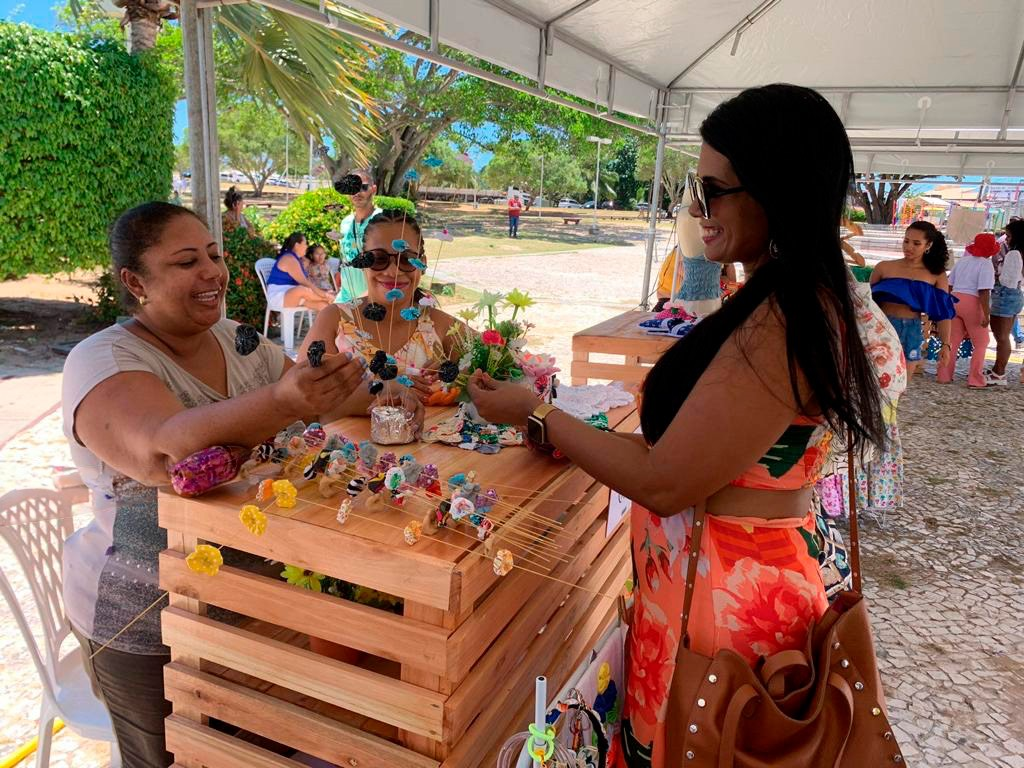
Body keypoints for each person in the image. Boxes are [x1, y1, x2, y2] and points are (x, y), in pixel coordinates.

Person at [468, 84, 899, 767]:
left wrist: (537, 411)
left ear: (775, 189)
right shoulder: (780, 297)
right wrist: (569, 436)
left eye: (711, 190)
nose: (698, 210)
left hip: (726, 607)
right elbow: (694, 451)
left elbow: (666, 480)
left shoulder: (785, 316)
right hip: (710, 583)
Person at [61, 202, 364, 767]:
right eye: (186, 262)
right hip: (146, 620)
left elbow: (313, 396)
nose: (212, 272)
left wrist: (390, 391)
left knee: (249, 753)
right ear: (135, 282)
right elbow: (165, 452)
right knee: (174, 759)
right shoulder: (101, 359)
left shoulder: (236, 339)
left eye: (214, 256)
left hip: (254, 601)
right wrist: (283, 402)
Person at [299, 209, 465, 420]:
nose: (393, 272)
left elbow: (498, 364)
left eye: (406, 259)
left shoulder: (437, 325)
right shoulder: (335, 321)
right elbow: (303, 403)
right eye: (378, 259)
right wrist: (387, 389)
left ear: (422, 263)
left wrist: (457, 376)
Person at [869, 221, 955, 380]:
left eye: (916, 243)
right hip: (881, 327)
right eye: (906, 241)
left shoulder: (936, 274)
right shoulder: (883, 267)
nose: (909, 247)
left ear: (928, 245)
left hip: (911, 331)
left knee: (902, 384)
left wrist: (946, 345)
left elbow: (943, 313)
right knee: (874, 381)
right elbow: (867, 303)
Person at [937, 232, 997, 388]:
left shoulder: (963, 261)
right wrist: (986, 314)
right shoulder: (986, 264)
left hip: (954, 299)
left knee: (952, 340)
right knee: (982, 342)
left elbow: (949, 284)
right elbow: (984, 290)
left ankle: (944, 375)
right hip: (973, 302)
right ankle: (975, 379)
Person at [984, 218, 1024, 385]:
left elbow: (1007, 279)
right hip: (1015, 295)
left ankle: (999, 373)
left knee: (1001, 336)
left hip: (1005, 294)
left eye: (1008, 236)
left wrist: (996, 276)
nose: (1006, 239)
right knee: (1004, 335)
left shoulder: (1014, 254)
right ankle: (997, 369)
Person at [336, 169, 382, 303]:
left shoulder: (383, 220)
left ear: (373, 189)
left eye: (363, 187)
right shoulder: (345, 223)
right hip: (346, 296)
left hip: (372, 300)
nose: (357, 192)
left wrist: (365, 298)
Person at [267, 232, 336, 312]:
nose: (307, 246)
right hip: (279, 297)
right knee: (302, 289)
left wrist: (323, 292)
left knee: (323, 305)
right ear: (297, 245)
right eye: (305, 243)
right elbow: (305, 282)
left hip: (293, 296)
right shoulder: (289, 259)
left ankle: (329, 302)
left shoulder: (297, 259)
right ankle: (332, 298)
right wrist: (325, 294)